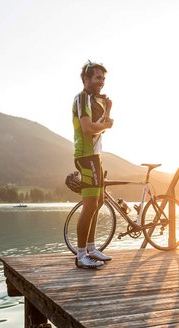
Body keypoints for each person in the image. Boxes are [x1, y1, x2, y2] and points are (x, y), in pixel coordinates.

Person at [72, 60, 115, 269]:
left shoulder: (92, 100)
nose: (101, 82)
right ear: (86, 79)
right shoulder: (82, 98)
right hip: (86, 155)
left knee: (98, 203)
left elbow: (100, 127)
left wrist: (108, 110)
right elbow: (88, 129)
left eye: (103, 79)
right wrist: (106, 124)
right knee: (89, 205)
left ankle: (91, 248)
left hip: (96, 156)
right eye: (98, 78)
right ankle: (81, 255)